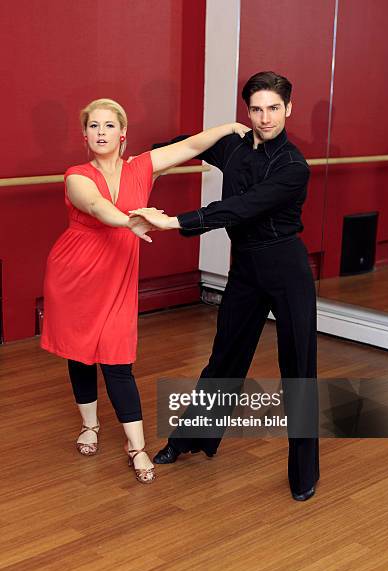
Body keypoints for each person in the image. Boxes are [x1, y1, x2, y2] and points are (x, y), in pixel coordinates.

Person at [40, 97, 249, 484]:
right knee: (81, 353)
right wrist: (132, 220)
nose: (101, 132)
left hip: (117, 276)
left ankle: (134, 446)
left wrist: (228, 128)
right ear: (84, 135)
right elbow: (97, 206)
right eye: (93, 126)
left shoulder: (143, 167)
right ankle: (90, 425)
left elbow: (188, 147)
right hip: (75, 275)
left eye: (108, 126)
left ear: (123, 134)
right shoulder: (76, 175)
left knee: (117, 359)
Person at [131, 72, 320, 500]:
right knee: (225, 358)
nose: (265, 117)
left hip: (286, 266)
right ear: (246, 111)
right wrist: (140, 170)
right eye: (256, 109)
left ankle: (304, 472)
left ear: (289, 109)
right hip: (247, 267)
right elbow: (183, 145)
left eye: (274, 108)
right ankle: (194, 438)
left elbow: (241, 207)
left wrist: (176, 221)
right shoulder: (233, 145)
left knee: (298, 369)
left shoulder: (293, 167)